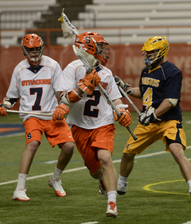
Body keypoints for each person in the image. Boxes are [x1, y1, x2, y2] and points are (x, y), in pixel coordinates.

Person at [53, 31, 132, 217]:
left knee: (105, 158)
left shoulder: (106, 73)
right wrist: (84, 86)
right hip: (80, 127)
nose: (105, 51)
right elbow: (63, 97)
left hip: (103, 124)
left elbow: (117, 101)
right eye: (100, 47)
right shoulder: (73, 68)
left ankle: (112, 203)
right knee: (96, 172)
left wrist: (122, 112)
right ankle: (101, 181)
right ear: (88, 49)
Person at [115, 36, 191, 202]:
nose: (148, 55)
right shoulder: (145, 71)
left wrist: (153, 114)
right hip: (148, 122)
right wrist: (125, 88)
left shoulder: (172, 71)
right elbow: (145, 92)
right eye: (147, 52)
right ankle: (121, 184)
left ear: (162, 52)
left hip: (168, 120)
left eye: (152, 52)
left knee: (177, 151)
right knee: (127, 153)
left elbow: (171, 100)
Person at [0, 33, 74, 201]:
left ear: (42, 48)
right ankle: (19, 189)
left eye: (37, 48)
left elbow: (62, 92)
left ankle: (55, 179)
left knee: (69, 147)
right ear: (24, 50)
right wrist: (5, 106)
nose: (34, 52)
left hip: (52, 114)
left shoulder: (52, 65)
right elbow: (12, 97)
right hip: (31, 116)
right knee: (33, 144)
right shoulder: (19, 69)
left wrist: (63, 105)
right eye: (31, 49)